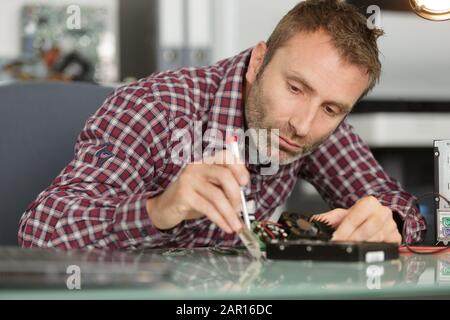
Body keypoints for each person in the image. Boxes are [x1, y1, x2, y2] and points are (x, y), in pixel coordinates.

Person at [19, 0, 426, 250]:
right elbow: (42, 231)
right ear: (258, 62)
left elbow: (399, 205)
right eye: (296, 88)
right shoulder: (157, 107)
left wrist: (387, 222)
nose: (303, 125)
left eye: (332, 109)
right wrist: (159, 210)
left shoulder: (310, 124)